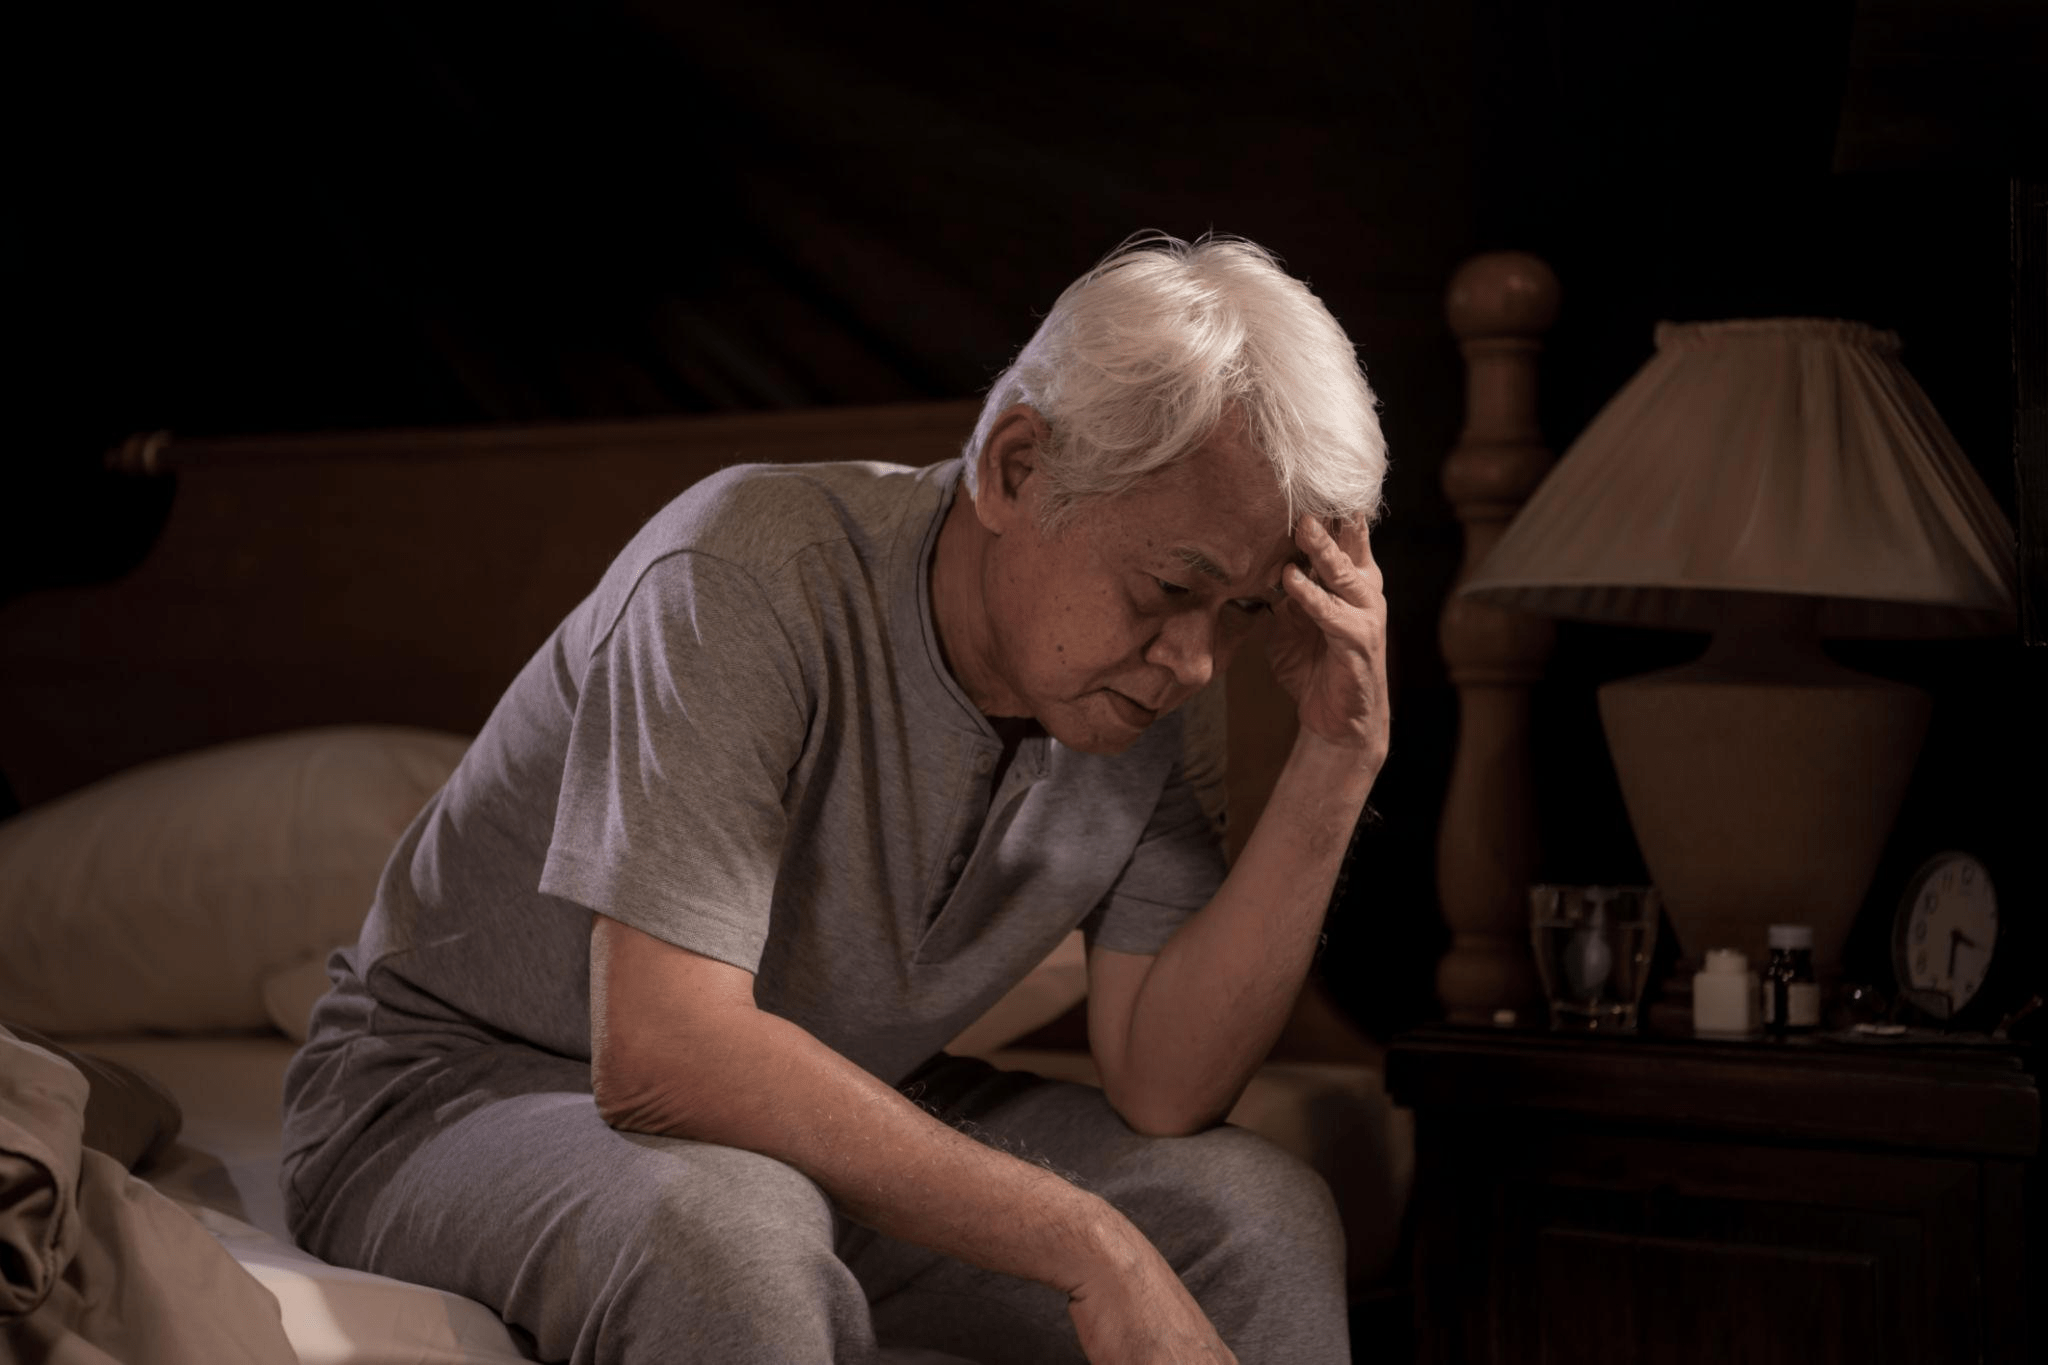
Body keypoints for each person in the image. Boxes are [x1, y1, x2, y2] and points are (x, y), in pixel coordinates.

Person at [280, 232, 1390, 1365]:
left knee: (1256, 1216)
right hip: (451, 1099)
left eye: (1242, 610)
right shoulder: (740, 573)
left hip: (813, 1113)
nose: (1195, 661)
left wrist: (1336, 758)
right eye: (1170, 587)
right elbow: (668, 1055)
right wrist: (1083, 1239)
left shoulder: (1152, 689)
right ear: (1015, 469)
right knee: (735, 1233)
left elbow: (1163, 1085)